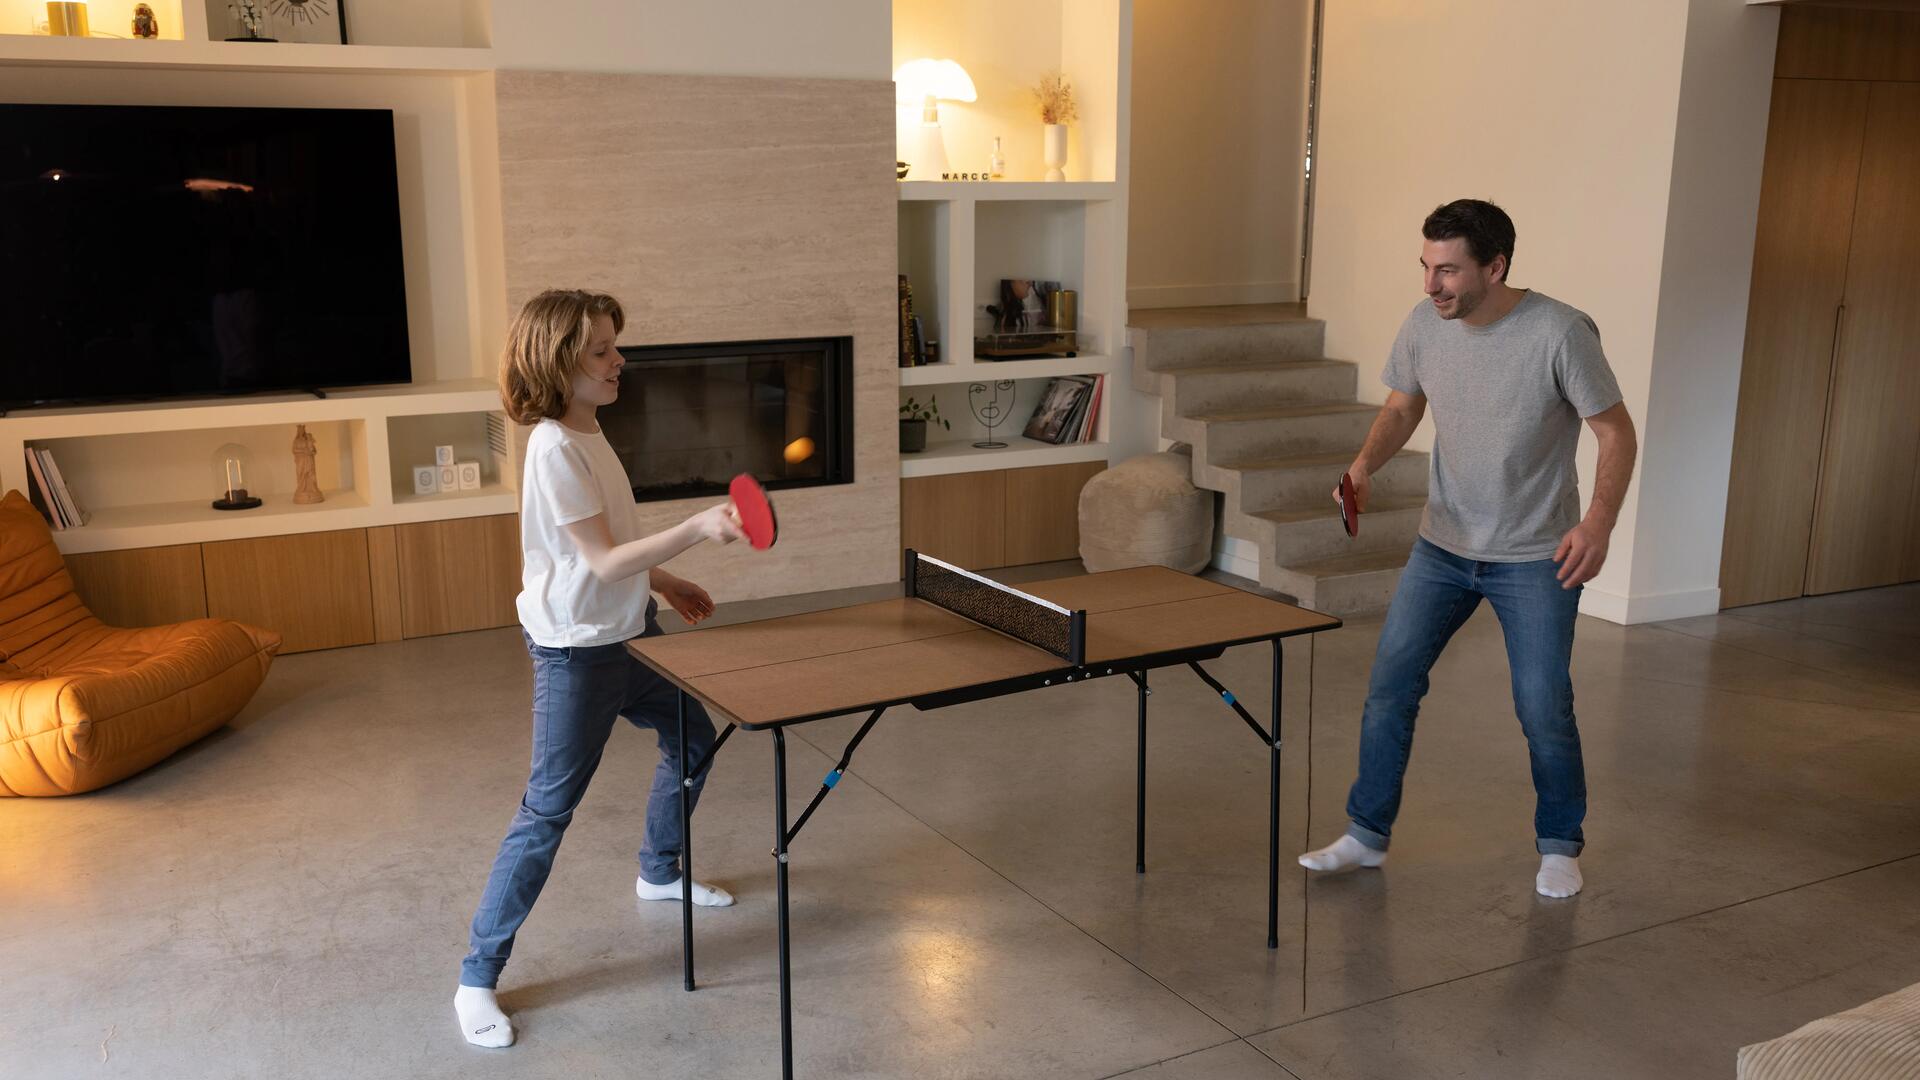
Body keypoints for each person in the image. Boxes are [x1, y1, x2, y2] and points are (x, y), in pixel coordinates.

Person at [1297, 199, 1637, 899]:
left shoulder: (1560, 331)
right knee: (1390, 687)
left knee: (1542, 707)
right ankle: (1366, 834)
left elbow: (1614, 431)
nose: (1431, 285)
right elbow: (1403, 406)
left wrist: (1598, 524)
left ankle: (1559, 844)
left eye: (1448, 270)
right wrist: (1363, 466)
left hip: (1536, 555)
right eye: (1426, 266)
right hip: (1442, 547)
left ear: (1495, 266)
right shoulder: (1425, 323)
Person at [455, 289, 746, 1047]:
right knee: (546, 813)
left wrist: (665, 582)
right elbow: (602, 560)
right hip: (578, 654)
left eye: (616, 345)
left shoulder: (589, 429)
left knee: (693, 739)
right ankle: (476, 979)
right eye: (601, 351)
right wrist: (697, 527)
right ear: (560, 363)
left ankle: (659, 870)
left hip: (629, 633)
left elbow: (612, 545)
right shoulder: (554, 448)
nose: (620, 360)